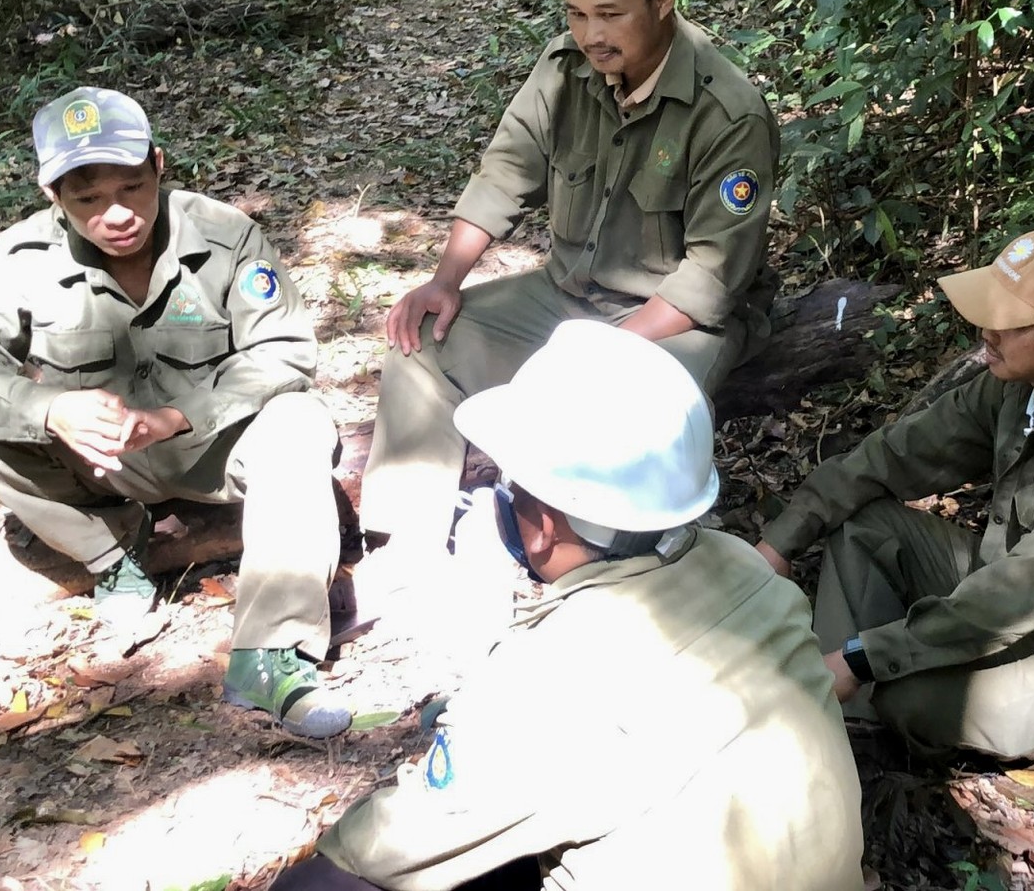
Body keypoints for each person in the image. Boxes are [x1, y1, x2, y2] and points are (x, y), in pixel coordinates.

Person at [273, 321, 863, 891]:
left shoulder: (549, 676)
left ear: (543, 530)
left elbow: (385, 849)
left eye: (511, 486)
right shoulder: (749, 570)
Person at [0, 87, 354, 739]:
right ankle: (113, 558)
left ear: (159, 164)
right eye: (87, 200)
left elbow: (285, 352)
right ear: (54, 198)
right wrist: (50, 409)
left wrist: (178, 416)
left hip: (215, 450)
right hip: (102, 466)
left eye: (132, 187)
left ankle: (271, 659)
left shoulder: (225, 235)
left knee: (300, 421)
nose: (116, 214)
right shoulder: (20, 259)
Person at [359, 0, 778, 557]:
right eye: (577, 14)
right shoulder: (565, 71)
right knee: (424, 344)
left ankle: (618, 564)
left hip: (675, 322)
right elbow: (506, 171)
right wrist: (444, 281)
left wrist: (594, 354)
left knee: (616, 410)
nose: (591, 34)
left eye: (610, 14)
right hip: (569, 296)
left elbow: (710, 277)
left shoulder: (728, 112)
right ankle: (407, 542)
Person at [753, 223, 1034, 760]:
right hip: (1011, 600)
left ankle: (854, 715)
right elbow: (893, 455)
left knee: (906, 696)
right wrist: (780, 541)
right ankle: (845, 724)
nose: (987, 332)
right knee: (864, 528)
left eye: (1010, 322)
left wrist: (863, 659)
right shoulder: (1015, 391)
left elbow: (1021, 591)